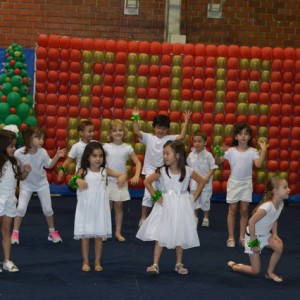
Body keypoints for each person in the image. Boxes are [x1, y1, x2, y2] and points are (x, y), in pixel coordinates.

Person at [136, 141, 205, 275]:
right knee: (161, 233)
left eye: (167, 153)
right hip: (165, 205)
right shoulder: (162, 171)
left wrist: (193, 197)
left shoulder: (188, 170)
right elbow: (146, 181)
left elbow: (202, 181)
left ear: (177, 155)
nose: (165, 156)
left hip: (181, 205)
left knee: (180, 233)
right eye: (164, 154)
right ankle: (155, 264)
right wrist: (157, 197)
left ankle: (179, 263)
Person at [71, 142, 127, 272]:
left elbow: (122, 174)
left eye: (100, 156)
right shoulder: (83, 171)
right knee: (85, 236)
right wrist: (77, 180)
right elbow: (71, 181)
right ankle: (85, 261)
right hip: (86, 207)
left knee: (98, 237)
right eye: (94, 156)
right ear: (87, 158)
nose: (98, 159)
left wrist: (122, 177)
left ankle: (97, 262)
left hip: (100, 208)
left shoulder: (104, 171)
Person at [132, 107, 192, 226]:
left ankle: (159, 217)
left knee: (162, 194)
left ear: (167, 130)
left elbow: (181, 137)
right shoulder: (149, 138)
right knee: (149, 195)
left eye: (164, 128)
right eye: (159, 127)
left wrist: (186, 122)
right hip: (151, 171)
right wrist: (135, 117)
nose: (161, 130)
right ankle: (143, 218)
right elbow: (136, 131)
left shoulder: (168, 139)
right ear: (154, 127)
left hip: (164, 171)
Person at [227, 176, 289, 283]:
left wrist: (275, 234)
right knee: (255, 271)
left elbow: (274, 218)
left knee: (279, 247)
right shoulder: (267, 207)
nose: (289, 189)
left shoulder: (280, 204)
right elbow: (251, 222)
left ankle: (269, 273)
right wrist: (254, 242)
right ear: (275, 191)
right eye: (285, 187)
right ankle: (235, 266)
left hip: (265, 235)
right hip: (252, 237)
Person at [215, 123, 268, 247]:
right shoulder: (231, 151)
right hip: (234, 182)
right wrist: (219, 151)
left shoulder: (252, 151)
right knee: (232, 209)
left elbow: (259, 164)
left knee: (244, 211)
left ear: (249, 137)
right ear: (236, 136)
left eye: (246, 134)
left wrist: (264, 150)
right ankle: (231, 237)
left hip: (246, 183)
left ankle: (242, 237)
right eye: (240, 134)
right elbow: (217, 162)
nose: (243, 136)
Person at [11, 126, 66, 245]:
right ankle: (15, 233)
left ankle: (52, 232)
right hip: (26, 184)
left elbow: (49, 165)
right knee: (20, 209)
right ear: (29, 138)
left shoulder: (43, 152)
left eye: (43, 138)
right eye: (38, 137)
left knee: (48, 210)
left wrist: (57, 156)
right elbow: (20, 176)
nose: (42, 140)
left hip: (42, 184)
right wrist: (25, 171)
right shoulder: (18, 154)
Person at [103, 120, 142, 242]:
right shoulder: (106, 147)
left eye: (120, 130)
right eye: (114, 131)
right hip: (108, 180)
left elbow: (138, 162)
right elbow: (102, 165)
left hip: (121, 182)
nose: (118, 133)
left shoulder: (128, 148)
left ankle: (118, 232)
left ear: (124, 132)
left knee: (119, 206)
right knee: (107, 206)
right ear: (110, 133)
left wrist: (136, 175)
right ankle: (104, 231)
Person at [0, 126, 30, 272]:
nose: (13, 148)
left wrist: (25, 172)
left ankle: (6, 260)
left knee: (7, 231)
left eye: (14, 145)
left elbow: (19, 178)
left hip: (10, 199)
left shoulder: (14, 162)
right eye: (11, 145)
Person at [187, 130, 218, 227]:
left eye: (199, 141)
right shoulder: (191, 155)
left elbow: (213, 168)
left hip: (206, 183)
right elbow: (188, 169)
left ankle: (205, 217)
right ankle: (194, 217)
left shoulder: (208, 155)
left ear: (205, 142)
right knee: (194, 200)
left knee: (205, 201)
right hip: (194, 183)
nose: (197, 143)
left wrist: (206, 179)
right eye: (195, 141)